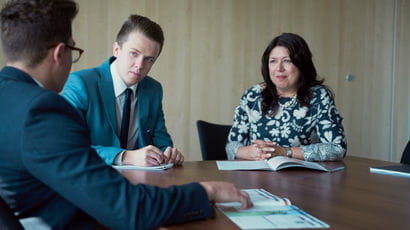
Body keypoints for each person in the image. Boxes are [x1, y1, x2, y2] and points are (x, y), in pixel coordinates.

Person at [0, 0, 251, 229]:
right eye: (73, 50)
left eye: (149, 59)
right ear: (59, 53)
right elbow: (128, 209)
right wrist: (205, 192)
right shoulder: (43, 110)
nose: (140, 65)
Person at [62, 14, 182, 167]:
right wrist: (125, 156)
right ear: (117, 49)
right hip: (90, 178)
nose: (139, 65)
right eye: (134, 53)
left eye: (149, 59)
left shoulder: (153, 89)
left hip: (142, 181)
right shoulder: (81, 83)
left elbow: (161, 141)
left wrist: (168, 153)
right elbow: (67, 145)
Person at [226, 33, 347, 162]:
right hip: (257, 176)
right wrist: (251, 152)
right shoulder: (253, 95)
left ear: (301, 64)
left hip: (302, 178)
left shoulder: (318, 96)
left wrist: (284, 152)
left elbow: (337, 148)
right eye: (273, 61)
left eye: (287, 61)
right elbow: (231, 146)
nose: (279, 68)